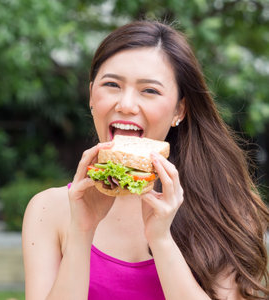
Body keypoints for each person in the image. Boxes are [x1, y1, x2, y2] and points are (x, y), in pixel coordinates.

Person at [22, 20, 269, 300]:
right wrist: (82, 231)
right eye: (112, 85)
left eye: (149, 90)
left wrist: (161, 240)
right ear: (92, 95)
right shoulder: (49, 210)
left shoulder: (224, 207)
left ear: (180, 109)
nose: (125, 104)